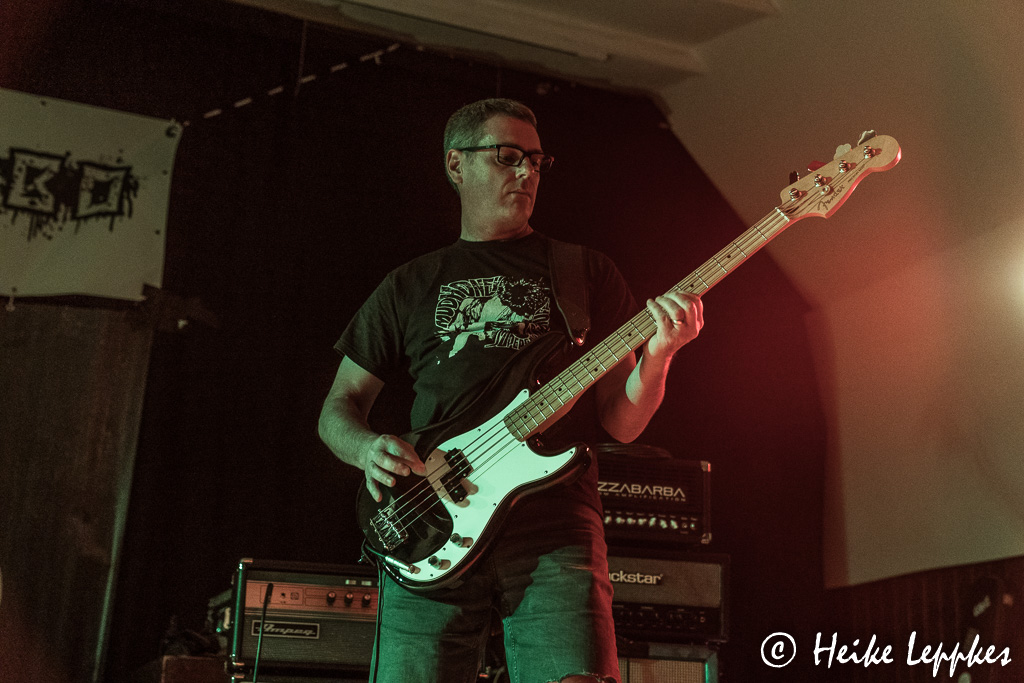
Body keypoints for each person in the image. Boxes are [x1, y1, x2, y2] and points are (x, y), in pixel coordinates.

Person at [318, 98, 703, 683]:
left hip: (555, 526)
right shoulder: (410, 284)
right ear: (456, 164)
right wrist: (367, 448)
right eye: (506, 156)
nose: (526, 172)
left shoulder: (585, 272)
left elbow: (621, 423)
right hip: (430, 514)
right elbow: (337, 409)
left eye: (536, 161)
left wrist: (660, 357)